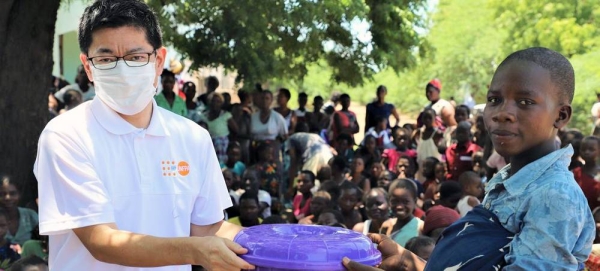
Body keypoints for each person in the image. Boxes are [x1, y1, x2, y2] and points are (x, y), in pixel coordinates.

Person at [33, 1, 253, 270]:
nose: (122, 70)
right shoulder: (65, 136)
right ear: (88, 67)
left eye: (136, 57)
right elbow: (102, 240)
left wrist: (277, 244)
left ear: (158, 60)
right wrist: (195, 251)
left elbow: (206, 230)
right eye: (105, 59)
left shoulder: (193, 138)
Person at [381, 179, 423, 247]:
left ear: (415, 202)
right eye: (395, 201)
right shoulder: (387, 226)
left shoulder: (420, 227)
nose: (399, 206)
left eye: (405, 202)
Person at [198, 92, 238, 163]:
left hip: (222, 143)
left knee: (218, 143)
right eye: (213, 101)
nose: (215, 104)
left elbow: (236, 130)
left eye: (218, 102)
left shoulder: (226, 115)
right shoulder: (203, 116)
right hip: (208, 142)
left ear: (221, 103)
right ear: (209, 102)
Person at [0, 176, 38, 247]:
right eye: (3, 194)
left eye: (12, 193)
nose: (8, 198)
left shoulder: (30, 215)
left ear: (19, 195)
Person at [573, 136, 600, 211]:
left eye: (591, 149)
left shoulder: (598, 175)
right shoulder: (574, 173)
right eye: (583, 149)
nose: (586, 152)